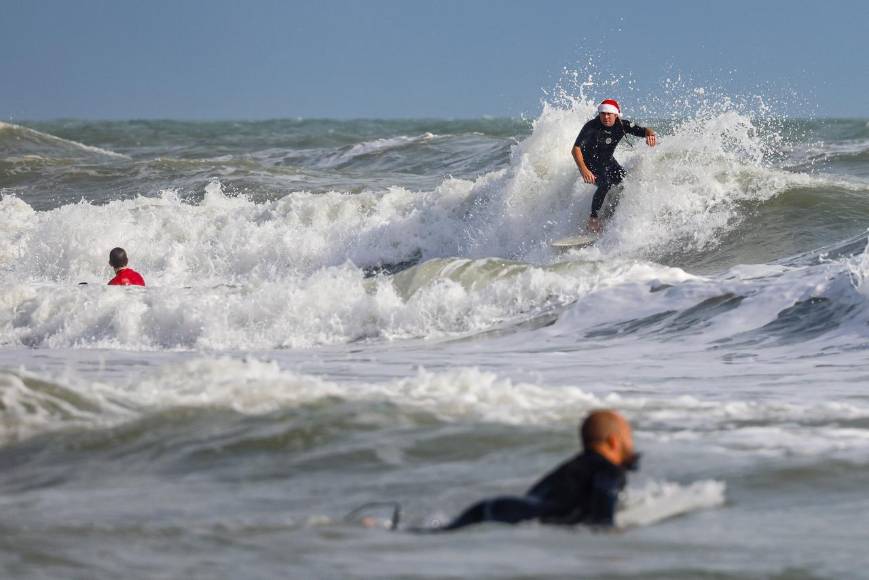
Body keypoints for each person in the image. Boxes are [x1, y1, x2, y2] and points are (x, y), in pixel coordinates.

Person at [439, 409, 640, 531]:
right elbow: (604, 494)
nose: (631, 447)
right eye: (628, 440)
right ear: (613, 442)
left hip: (497, 508)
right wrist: (607, 529)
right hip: (509, 514)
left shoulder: (571, 468)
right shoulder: (609, 470)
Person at [572, 99, 657, 234]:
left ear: (616, 115)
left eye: (609, 114)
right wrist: (584, 170)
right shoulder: (591, 126)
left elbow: (645, 130)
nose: (605, 117)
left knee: (624, 183)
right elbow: (575, 149)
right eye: (603, 114)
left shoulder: (622, 125)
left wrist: (651, 135)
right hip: (590, 162)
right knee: (605, 184)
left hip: (608, 161)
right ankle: (593, 219)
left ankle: (609, 215)